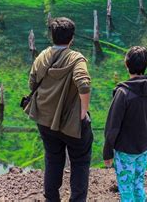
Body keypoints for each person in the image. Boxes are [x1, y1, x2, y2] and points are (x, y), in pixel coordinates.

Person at [25, 17, 92, 202]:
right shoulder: (76, 59)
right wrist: (83, 112)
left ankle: (51, 198)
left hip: (45, 120)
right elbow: (84, 85)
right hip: (72, 124)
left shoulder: (42, 57)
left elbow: (32, 83)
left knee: (53, 160)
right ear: (72, 38)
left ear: (51, 36)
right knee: (80, 162)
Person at [103, 46, 147, 202]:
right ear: (146, 64)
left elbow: (112, 127)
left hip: (126, 150)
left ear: (126, 64)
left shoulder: (123, 93)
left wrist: (107, 152)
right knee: (138, 183)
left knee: (126, 188)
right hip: (146, 145)